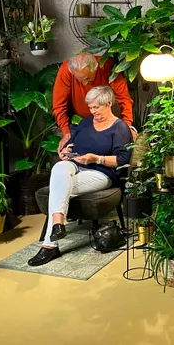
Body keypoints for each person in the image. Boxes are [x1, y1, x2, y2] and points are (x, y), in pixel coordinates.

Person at [28, 86, 133, 266]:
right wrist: (67, 150)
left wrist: (96, 158)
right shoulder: (85, 123)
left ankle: (49, 245)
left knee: (58, 189)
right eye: (90, 108)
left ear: (109, 104)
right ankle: (58, 224)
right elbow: (72, 143)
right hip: (76, 165)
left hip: (101, 173)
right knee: (60, 167)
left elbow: (123, 159)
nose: (93, 112)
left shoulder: (120, 128)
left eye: (96, 107)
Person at [53, 52, 135, 153]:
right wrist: (66, 132)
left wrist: (127, 126)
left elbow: (124, 99)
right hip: (79, 122)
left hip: (108, 121)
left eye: (87, 78)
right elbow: (59, 105)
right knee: (68, 152)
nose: (84, 83)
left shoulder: (106, 66)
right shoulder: (66, 70)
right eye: (79, 80)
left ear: (95, 68)